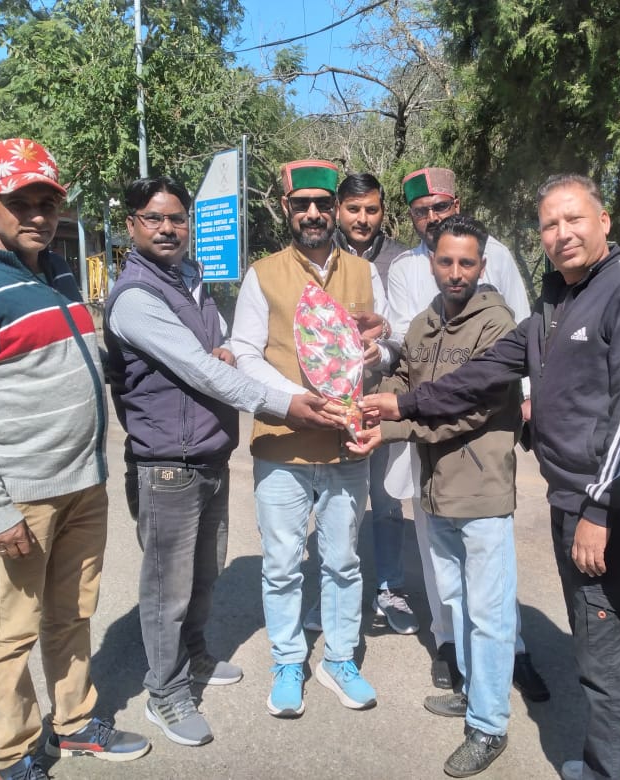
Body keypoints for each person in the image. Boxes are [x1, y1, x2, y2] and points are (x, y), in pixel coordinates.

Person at [364, 174, 620, 780]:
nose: (561, 234)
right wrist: (387, 406)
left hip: (571, 498)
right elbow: (436, 383)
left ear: (604, 220)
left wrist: (599, 507)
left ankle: (494, 727)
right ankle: (485, 700)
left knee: (526, 624)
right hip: (480, 489)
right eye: (550, 224)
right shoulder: (548, 306)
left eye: (574, 220)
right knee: (476, 609)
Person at [0, 138, 149, 780]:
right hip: (21, 495)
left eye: (47, 202)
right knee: (10, 631)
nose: (38, 215)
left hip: (83, 484)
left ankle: (74, 724)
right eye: (20, 202)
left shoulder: (58, 270)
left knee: (73, 613)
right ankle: (14, 755)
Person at [103, 176, 340, 747]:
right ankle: (166, 692)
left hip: (207, 453)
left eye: (177, 218)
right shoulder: (137, 296)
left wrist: (231, 349)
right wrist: (287, 404)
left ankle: (197, 656)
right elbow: (201, 369)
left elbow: (221, 349)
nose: (168, 228)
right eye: (154, 219)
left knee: (205, 574)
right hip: (167, 462)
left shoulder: (189, 280)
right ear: (132, 225)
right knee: (168, 588)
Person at [350, 215, 519, 776]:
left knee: (490, 613)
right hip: (434, 487)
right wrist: (378, 402)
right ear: (432, 262)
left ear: (482, 266)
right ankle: (473, 693)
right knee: (457, 601)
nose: (455, 272)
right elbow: (407, 382)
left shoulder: (496, 325)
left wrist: (395, 423)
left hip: (480, 489)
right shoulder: (426, 323)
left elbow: (466, 408)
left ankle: (489, 726)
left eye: (466, 262)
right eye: (445, 261)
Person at [230, 159, 392, 718]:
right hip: (283, 444)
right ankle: (287, 660)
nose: (315, 214)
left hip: (347, 444)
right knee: (281, 563)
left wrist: (378, 348)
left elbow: (384, 344)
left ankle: (340, 659)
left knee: (343, 561)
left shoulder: (363, 273)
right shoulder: (263, 274)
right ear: (287, 210)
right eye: (303, 205)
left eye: (324, 205)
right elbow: (245, 353)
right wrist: (293, 401)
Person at [385, 166, 549, 701]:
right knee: (446, 575)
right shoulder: (412, 285)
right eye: (422, 213)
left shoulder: (493, 273)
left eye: (440, 208)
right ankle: (458, 661)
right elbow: (405, 354)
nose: (432, 219)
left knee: (489, 588)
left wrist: (524, 398)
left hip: (471, 452)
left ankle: (501, 679)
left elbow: (518, 342)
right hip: (428, 456)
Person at [299, 173, 419, 636]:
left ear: (382, 211)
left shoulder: (402, 261)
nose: (362, 219)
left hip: (381, 398)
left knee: (387, 501)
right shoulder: (319, 257)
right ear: (338, 211)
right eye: (353, 209)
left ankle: (389, 588)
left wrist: (384, 336)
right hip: (330, 404)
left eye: (371, 210)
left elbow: (409, 330)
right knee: (338, 501)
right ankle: (332, 593)